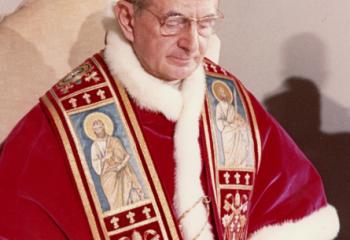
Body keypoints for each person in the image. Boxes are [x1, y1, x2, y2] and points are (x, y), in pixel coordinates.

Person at [0, 0, 340, 239]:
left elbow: (297, 205)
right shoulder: (58, 125)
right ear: (128, 19)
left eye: (205, 23)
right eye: (174, 21)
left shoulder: (230, 100)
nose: (192, 44)